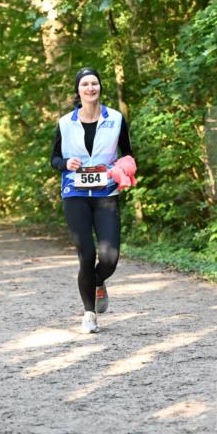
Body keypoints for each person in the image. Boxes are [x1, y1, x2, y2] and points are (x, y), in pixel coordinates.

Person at [51, 68, 135, 334]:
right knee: (86, 254)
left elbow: (129, 154)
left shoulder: (117, 119)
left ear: (100, 88)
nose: (90, 88)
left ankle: (97, 282)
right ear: (78, 91)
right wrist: (66, 163)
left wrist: (122, 168)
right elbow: (53, 160)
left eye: (94, 83)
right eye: (85, 84)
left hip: (106, 193)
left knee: (109, 257)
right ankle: (89, 314)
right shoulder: (65, 123)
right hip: (74, 194)